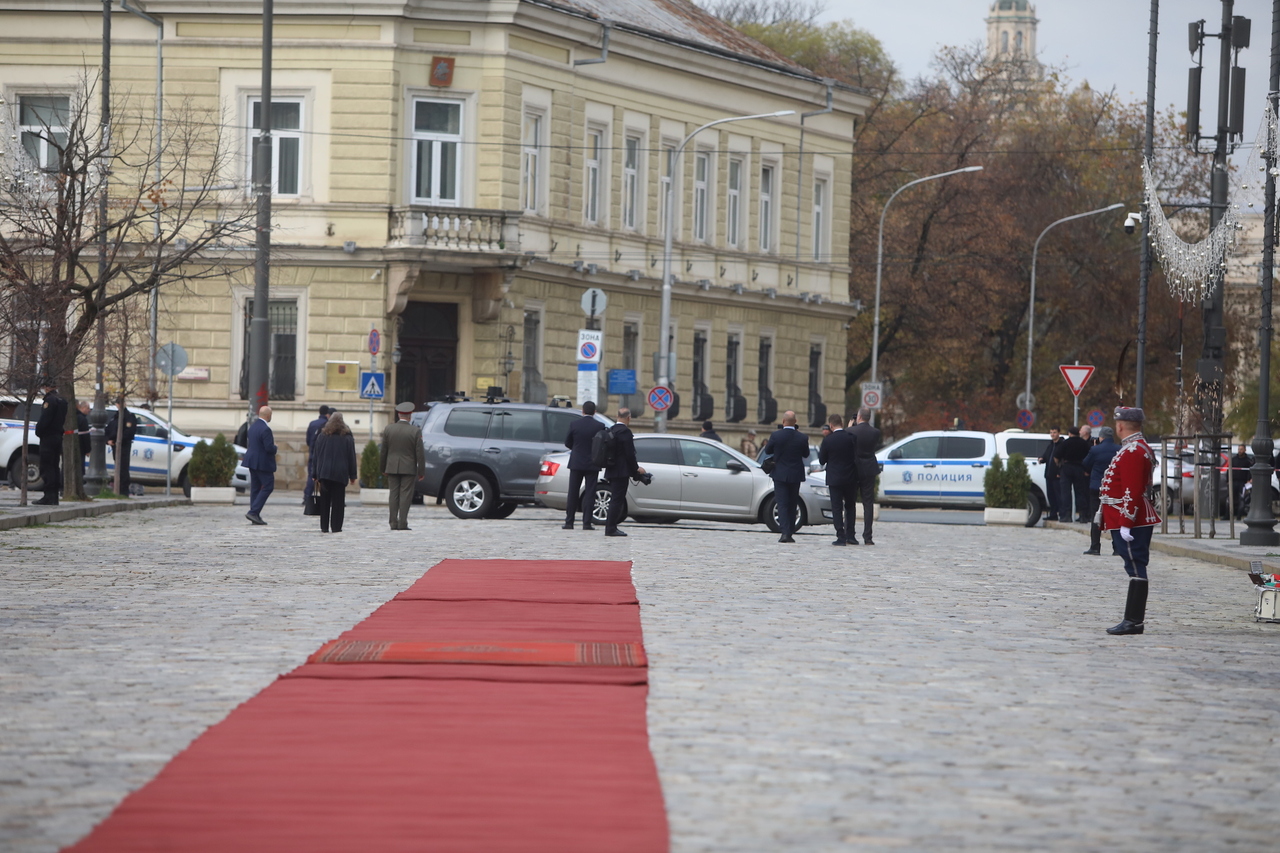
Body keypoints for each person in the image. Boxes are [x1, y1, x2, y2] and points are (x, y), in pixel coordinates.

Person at [1099, 406, 1161, 635]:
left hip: (1132, 518)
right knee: (1134, 565)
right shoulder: (1135, 447)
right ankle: (1133, 620)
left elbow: (1132, 489)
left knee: (1135, 566)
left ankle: (1133, 621)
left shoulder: (1134, 450)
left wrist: (1126, 521)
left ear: (1120, 425)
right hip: (1129, 516)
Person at [763, 410, 810, 543]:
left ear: (783, 421)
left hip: (780, 474)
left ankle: (784, 533)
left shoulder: (776, 436)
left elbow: (768, 450)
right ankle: (790, 531)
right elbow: (806, 454)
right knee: (792, 503)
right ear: (795, 422)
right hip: (795, 474)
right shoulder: (802, 437)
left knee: (782, 503)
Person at [601, 407, 645, 537]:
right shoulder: (625, 432)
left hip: (611, 470)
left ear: (617, 416)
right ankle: (611, 528)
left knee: (614, 499)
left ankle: (610, 527)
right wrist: (636, 469)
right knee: (617, 500)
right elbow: (629, 454)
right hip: (621, 472)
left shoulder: (611, 430)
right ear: (628, 418)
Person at [381, 402, 425, 530]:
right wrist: (421, 471)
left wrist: (382, 468)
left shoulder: (389, 429)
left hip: (392, 466)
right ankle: (402, 523)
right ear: (410, 415)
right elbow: (420, 454)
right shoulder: (416, 431)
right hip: (408, 467)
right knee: (405, 495)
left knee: (393, 494)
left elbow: (384, 451)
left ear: (399, 414)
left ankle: (393, 523)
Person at [312, 411, 359, 533]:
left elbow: (316, 456)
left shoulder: (322, 436)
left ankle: (324, 526)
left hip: (324, 473)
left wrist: (315, 474)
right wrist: (352, 475)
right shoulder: (347, 438)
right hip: (340, 473)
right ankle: (336, 526)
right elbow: (351, 457)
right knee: (338, 503)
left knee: (325, 502)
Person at [563, 400, 606, 530]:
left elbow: (567, 442)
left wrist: (576, 450)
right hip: (593, 463)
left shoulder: (574, 424)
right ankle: (586, 523)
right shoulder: (600, 426)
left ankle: (569, 522)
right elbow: (602, 445)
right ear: (595, 412)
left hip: (576, 462)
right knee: (590, 493)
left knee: (573, 492)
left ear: (582, 411)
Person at [818, 412, 859, 545]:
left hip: (834, 478)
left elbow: (822, 460)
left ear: (830, 425)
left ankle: (840, 536)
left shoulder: (828, 440)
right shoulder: (851, 437)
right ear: (841, 423)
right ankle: (851, 535)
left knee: (836, 508)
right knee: (850, 506)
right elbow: (856, 456)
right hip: (850, 477)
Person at [1081, 426, 1120, 555]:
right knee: (1114, 517)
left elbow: (1085, 463)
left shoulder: (1095, 450)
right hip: (1113, 488)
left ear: (1101, 437)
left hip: (1097, 487)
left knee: (1096, 516)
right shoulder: (1119, 450)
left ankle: (1095, 547)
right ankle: (1117, 548)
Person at [848, 407, 882, 546]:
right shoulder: (875, 432)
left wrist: (849, 427)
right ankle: (868, 536)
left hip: (854, 468)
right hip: (869, 468)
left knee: (850, 502)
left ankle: (850, 533)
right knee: (868, 503)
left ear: (859, 417)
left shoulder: (850, 431)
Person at [33, 379, 68, 505]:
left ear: (46, 387)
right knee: (54, 466)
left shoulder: (50, 400)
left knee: (46, 466)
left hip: (48, 437)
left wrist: (39, 431)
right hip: (58, 436)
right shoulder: (62, 400)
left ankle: (48, 496)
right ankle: (54, 496)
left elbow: (45, 420)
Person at [243, 406, 277, 525]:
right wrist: (275, 448)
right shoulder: (266, 429)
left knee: (255, 488)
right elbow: (268, 448)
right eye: (271, 415)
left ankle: (255, 514)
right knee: (268, 486)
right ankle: (253, 511)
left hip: (252, 461)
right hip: (263, 463)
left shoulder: (253, 427)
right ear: (268, 415)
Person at [1054, 425, 1090, 523]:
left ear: (1070, 433)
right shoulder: (1083, 443)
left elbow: (1056, 456)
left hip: (1067, 468)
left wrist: (1059, 465)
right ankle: (1083, 515)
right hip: (1079, 468)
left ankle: (1067, 515)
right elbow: (1088, 456)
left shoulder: (1065, 443)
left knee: (1066, 492)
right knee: (1080, 492)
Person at [304, 405, 332, 511]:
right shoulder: (328, 425)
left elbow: (308, 440)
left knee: (312, 476)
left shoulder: (312, 424)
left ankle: (307, 496)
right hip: (324, 456)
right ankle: (326, 498)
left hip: (312, 454)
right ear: (327, 414)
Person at [104, 407, 138, 496]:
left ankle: (123, 490)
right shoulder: (115, 417)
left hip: (124, 445)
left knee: (123, 467)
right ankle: (118, 488)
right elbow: (108, 430)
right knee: (118, 467)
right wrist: (108, 440)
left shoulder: (129, 416)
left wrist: (117, 440)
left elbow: (129, 432)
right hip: (114, 445)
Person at [1039, 428, 1063, 521]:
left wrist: (1059, 472)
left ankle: (1062, 514)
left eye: (1054, 432)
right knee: (1051, 496)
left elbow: (1062, 460)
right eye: (1051, 432)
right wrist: (1041, 459)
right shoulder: (1050, 445)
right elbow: (1046, 456)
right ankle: (1053, 514)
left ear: (1059, 433)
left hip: (1057, 475)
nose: (1052, 434)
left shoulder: (1061, 445)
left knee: (1059, 496)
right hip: (1049, 475)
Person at [1231, 444, 1253, 516]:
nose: (1239, 451)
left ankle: (1239, 515)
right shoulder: (1233, 459)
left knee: (1241, 499)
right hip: (1233, 481)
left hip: (1243, 482)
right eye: (1239, 449)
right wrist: (1228, 480)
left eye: (1241, 449)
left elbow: (1249, 471)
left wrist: (1249, 480)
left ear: (1245, 450)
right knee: (1230, 498)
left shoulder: (1248, 461)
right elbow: (1229, 470)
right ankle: (1228, 514)